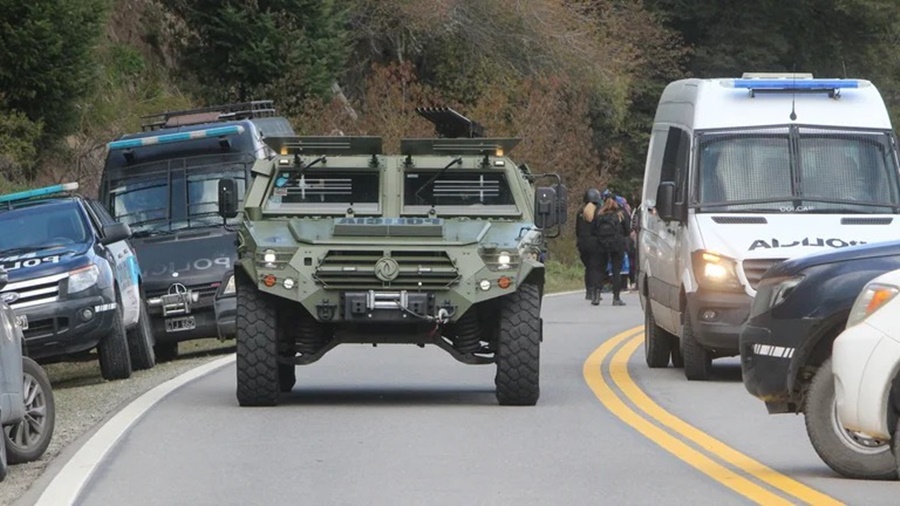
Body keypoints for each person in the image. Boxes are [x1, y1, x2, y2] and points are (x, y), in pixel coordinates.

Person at [593, 193, 631, 306]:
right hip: (617, 244)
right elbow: (627, 231)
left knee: (599, 269)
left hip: (602, 244)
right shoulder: (621, 214)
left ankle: (596, 296)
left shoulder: (599, 213)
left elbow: (594, 229)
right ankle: (616, 298)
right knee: (616, 270)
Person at [575, 188, 603, 304]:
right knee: (595, 267)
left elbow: (577, 229)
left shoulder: (580, 212)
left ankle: (588, 291)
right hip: (594, 242)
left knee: (588, 267)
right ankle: (594, 291)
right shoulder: (598, 212)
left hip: (582, 242)